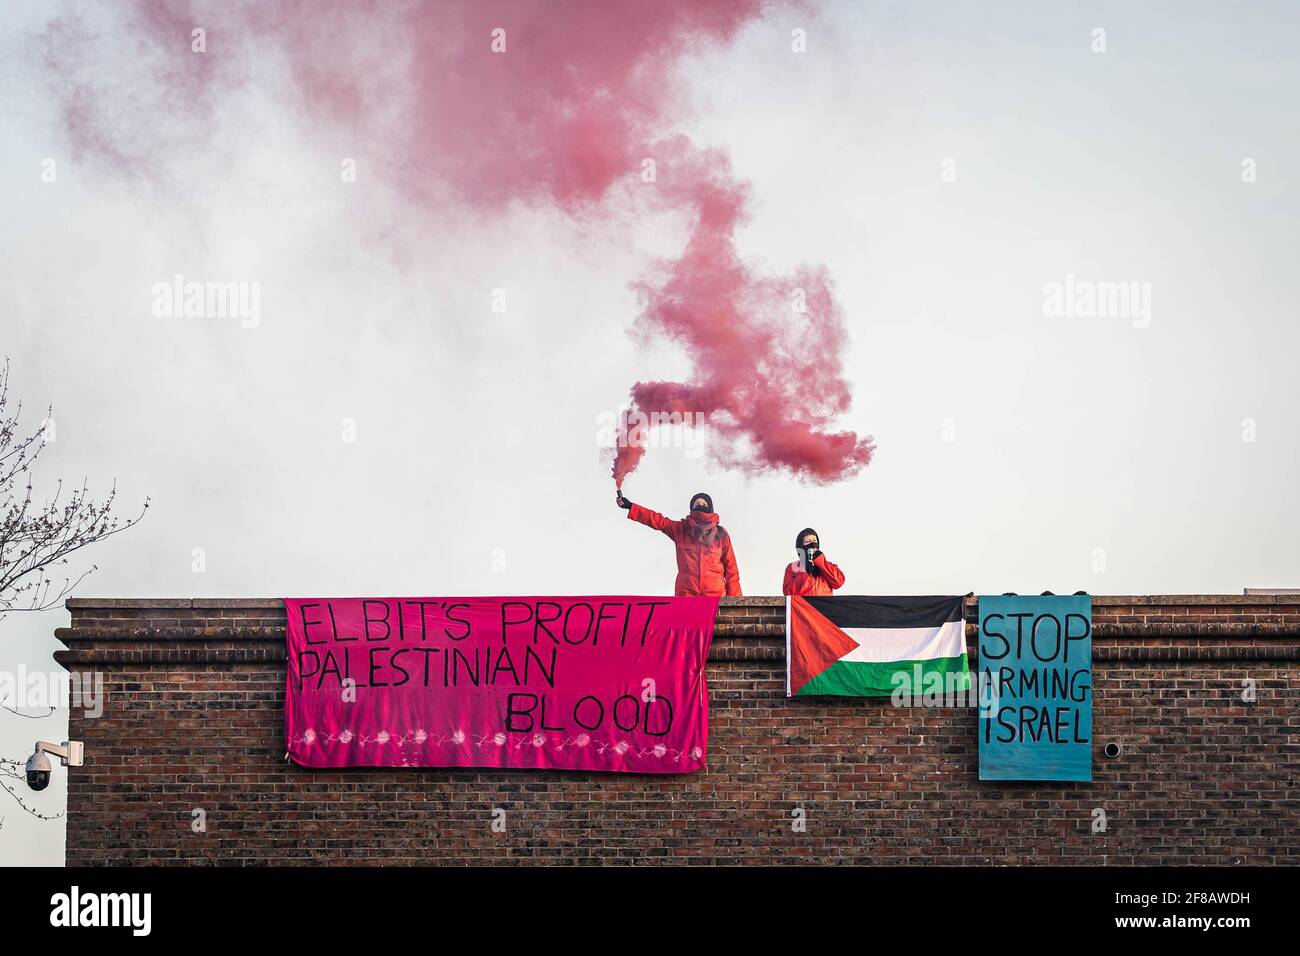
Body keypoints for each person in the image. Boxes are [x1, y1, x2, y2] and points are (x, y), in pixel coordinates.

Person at [616, 491, 742, 596]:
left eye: (704, 503)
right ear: (691, 509)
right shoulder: (681, 529)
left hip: (715, 597)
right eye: (697, 504)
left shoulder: (721, 534)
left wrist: (735, 603)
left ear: (711, 508)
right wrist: (631, 506)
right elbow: (658, 520)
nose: (701, 505)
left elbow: (731, 569)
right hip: (686, 595)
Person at [782, 527, 845, 596]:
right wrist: (804, 570)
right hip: (802, 606)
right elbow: (788, 593)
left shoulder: (827, 565)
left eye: (815, 541)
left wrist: (821, 562)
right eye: (807, 541)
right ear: (800, 545)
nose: (812, 544)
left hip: (822, 606)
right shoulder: (792, 568)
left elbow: (838, 582)